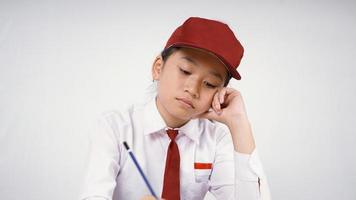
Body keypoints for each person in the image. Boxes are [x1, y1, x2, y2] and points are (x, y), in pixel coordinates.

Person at [80, 17, 271, 200]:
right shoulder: (114, 128)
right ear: (158, 68)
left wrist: (239, 123)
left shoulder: (216, 140)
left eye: (210, 84)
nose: (193, 89)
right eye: (185, 71)